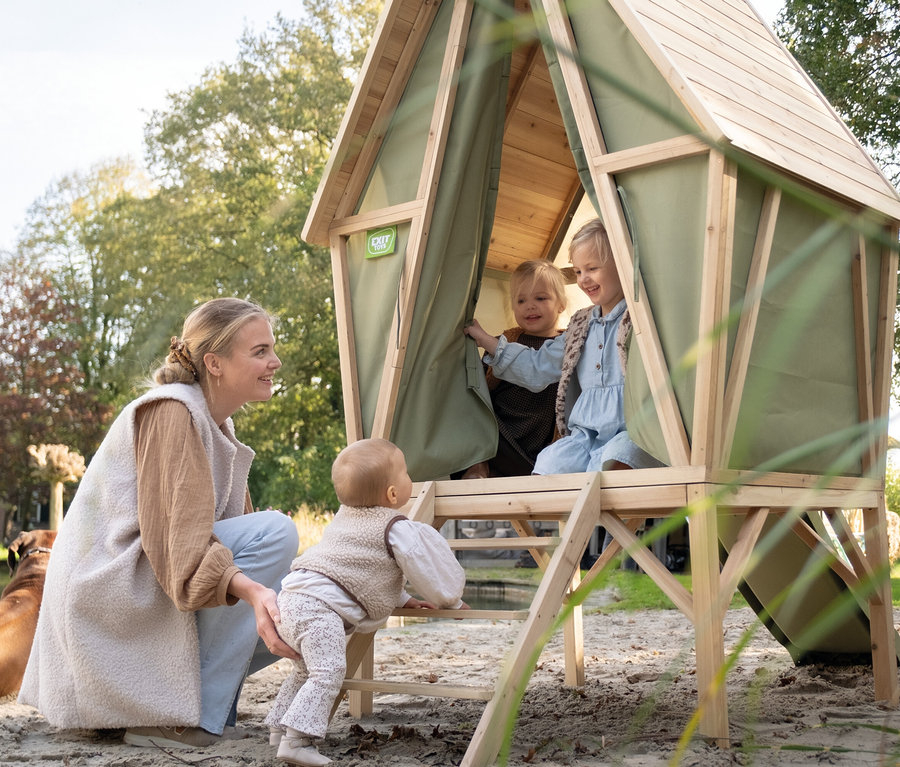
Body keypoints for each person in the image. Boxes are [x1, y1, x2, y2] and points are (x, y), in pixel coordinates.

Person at [19, 298, 301, 750]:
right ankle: (180, 718)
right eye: (260, 350)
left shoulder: (213, 424)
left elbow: (214, 540)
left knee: (313, 606)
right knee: (276, 536)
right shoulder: (171, 411)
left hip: (152, 578)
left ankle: (197, 705)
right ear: (215, 363)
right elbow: (175, 543)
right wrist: (250, 586)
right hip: (109, 590)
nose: (275, 361)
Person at [265, 438, 469, 766]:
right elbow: (420, 566)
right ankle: (298, 742)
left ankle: (279, 729)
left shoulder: (345, 517)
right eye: (404, 473)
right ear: (392, 494)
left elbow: (365, 569)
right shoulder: (394, 526)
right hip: (318, 608)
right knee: (328, 671)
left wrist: (404, 599)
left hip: (291, 598)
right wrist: (452, 601)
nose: (409, 478)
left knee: (306, 670)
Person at [464, 218, 664, 475]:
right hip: (586, 436)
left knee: (612, 464)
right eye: (578, 271)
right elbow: (538, 365)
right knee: (549, 464)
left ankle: (602, 513)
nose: (584, 279)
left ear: (621, 264)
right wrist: (484, 339)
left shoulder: (638, 317)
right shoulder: (581, 326)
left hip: (631, 432)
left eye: (592, 268)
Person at [462, 259, 566, 479]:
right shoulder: (504, 342)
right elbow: (481, 390)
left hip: (539, 445)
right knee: (476, 418)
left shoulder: (568, 344)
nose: (530, 306)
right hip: (501, 434)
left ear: (561, 304)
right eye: (521, 300)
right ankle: (477, 465)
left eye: (540, 298)